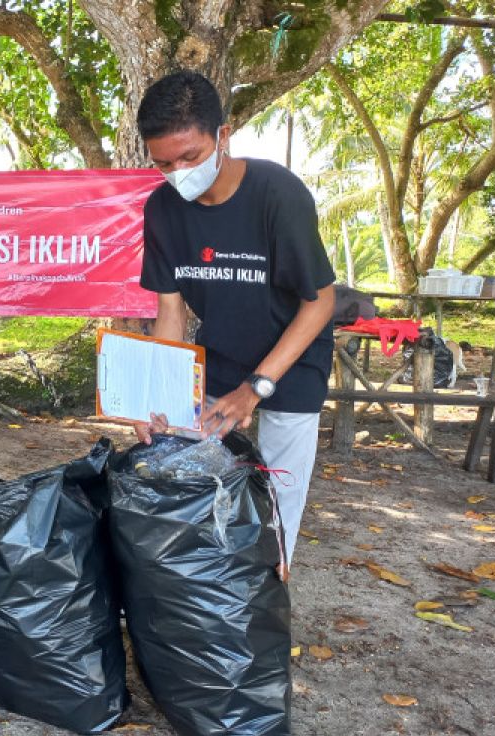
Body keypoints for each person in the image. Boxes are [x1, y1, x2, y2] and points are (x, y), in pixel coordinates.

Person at [132, 70, 335, 564]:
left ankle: (273, 588)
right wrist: (158, 395)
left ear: (223, 136)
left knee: (280, 499)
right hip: (221, 355)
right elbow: (171, 310)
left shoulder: (277, 193)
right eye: (163, 163)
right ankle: (206, 584)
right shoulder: (162, 208)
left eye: (191, 157)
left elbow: (320, 301)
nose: (178, 172)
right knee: (189, 468)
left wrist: (256, 387)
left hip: (292, 359)